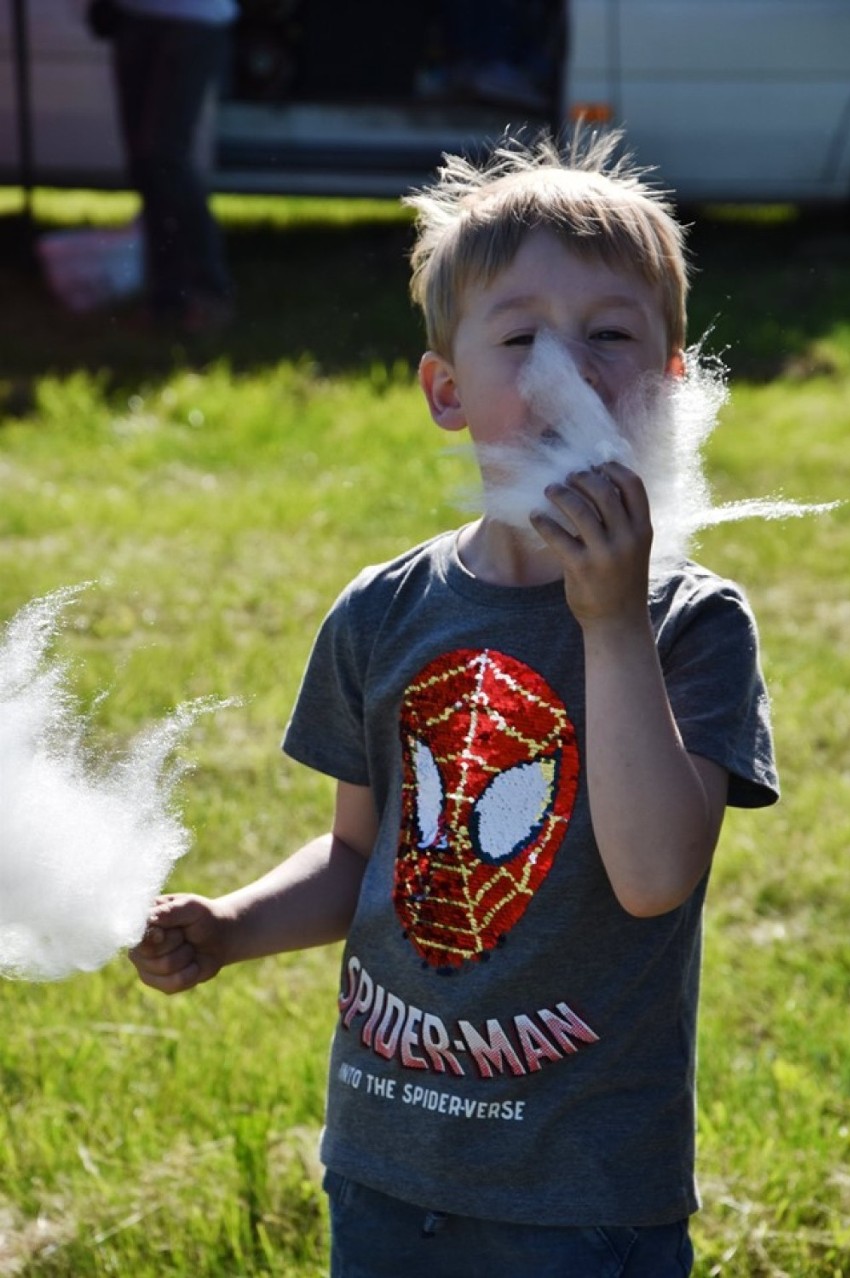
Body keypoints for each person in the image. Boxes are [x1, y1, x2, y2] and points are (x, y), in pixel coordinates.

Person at [130, 131, 780, 1275]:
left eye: (611, 337)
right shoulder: (385, 613)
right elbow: (359, 855)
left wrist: (612, 620)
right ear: (447, 390)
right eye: (520, 336)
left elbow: (654, 876)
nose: (565, 370)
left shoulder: (691, 624)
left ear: (674, 386)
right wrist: (233, 926)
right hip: (384, 1164)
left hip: (581, 1195)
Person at [107, 0, 237, 333]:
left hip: (194, 19)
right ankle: (166, 298)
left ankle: (210, 291)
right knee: (144, 164)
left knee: (165, 156)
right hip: (134, 17)